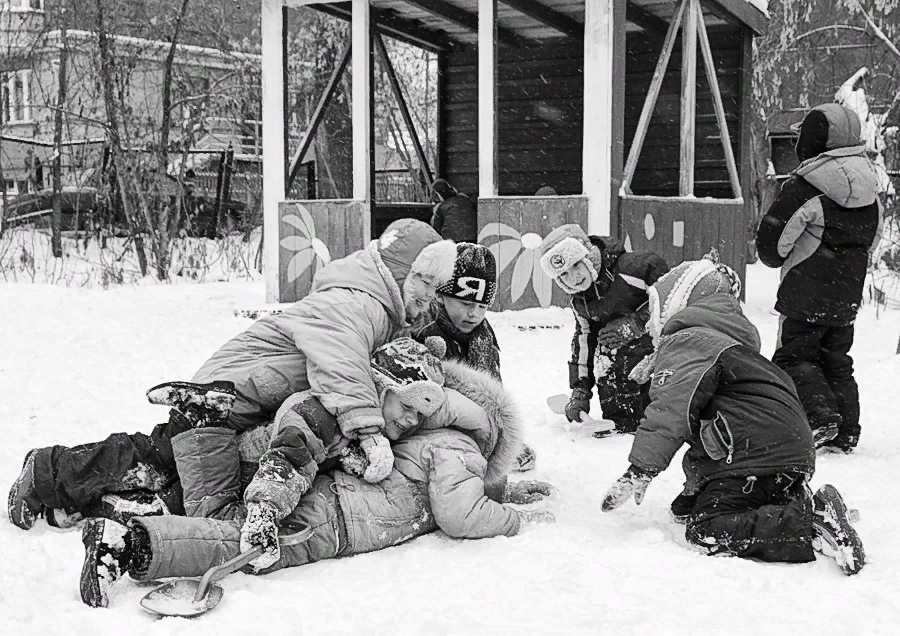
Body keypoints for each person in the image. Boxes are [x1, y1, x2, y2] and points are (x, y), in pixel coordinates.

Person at [8, 219, 457, 531]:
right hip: (229, 391)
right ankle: (49, 472)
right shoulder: (357, 303)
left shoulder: (372, 305)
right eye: (425, 285)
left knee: (173, 465)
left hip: (245, 392)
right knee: (161, 457)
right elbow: (340, 360)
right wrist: (369, 430)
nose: (429, 299)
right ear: (402, 273)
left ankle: (69, 498)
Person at [78, 338, 555, 607]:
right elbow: (460, 508)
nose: (411, 422)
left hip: (290, 475)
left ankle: (193, 436)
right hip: (296, 487)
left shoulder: (429, 432)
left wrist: (507, 489)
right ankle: (127, 543)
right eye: (407, 410)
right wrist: (517, 521)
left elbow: (446, 482)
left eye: (418, 415)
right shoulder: (447, 440)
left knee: (213, 514)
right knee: (238, 535)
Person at [600, 254, 865, 576]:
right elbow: (730, 411)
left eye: (655, 309)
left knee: (706, 527)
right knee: (684, 508)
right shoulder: (728, 346)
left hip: (755, 454)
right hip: (784, 451)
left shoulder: (688, 341)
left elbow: (672, 409)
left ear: (674, 306)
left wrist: (641, 469)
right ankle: (788, 495)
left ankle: (809, 519)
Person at [756, 103, 883, 453]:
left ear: (810, 142)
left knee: (793, 358)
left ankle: (821, 418)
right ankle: (847, 430)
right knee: (837, 360)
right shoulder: (869, 187)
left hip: (805, 291)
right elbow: (870, 236)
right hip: (847, 294)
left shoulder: (804, 186)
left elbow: (771, 245)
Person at [414, 242, 536, 471]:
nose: (474, 314)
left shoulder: (484, 337)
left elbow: (493, 390)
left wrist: (503, 440)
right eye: (466, 303)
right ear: (440, 296)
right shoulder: (423, 330)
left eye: (482, 306)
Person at [539, 224, 669, 435]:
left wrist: (637, 323)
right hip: (619, 365)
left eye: (575, 266)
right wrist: (580, 389)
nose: (573, 277)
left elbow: (671, 298)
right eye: (563, 274)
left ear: (588, 256)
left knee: (625, 349)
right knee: (604, 349)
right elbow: (584, 343)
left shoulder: (636, 268)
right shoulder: (581, 300)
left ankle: (650, 418)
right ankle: (622, 421)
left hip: (659, 350)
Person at [430, 178, 478, 242]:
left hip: (452, 241)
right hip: (473, 238)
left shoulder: (442, 207)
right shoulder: (467, 201)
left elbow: (435, 229)